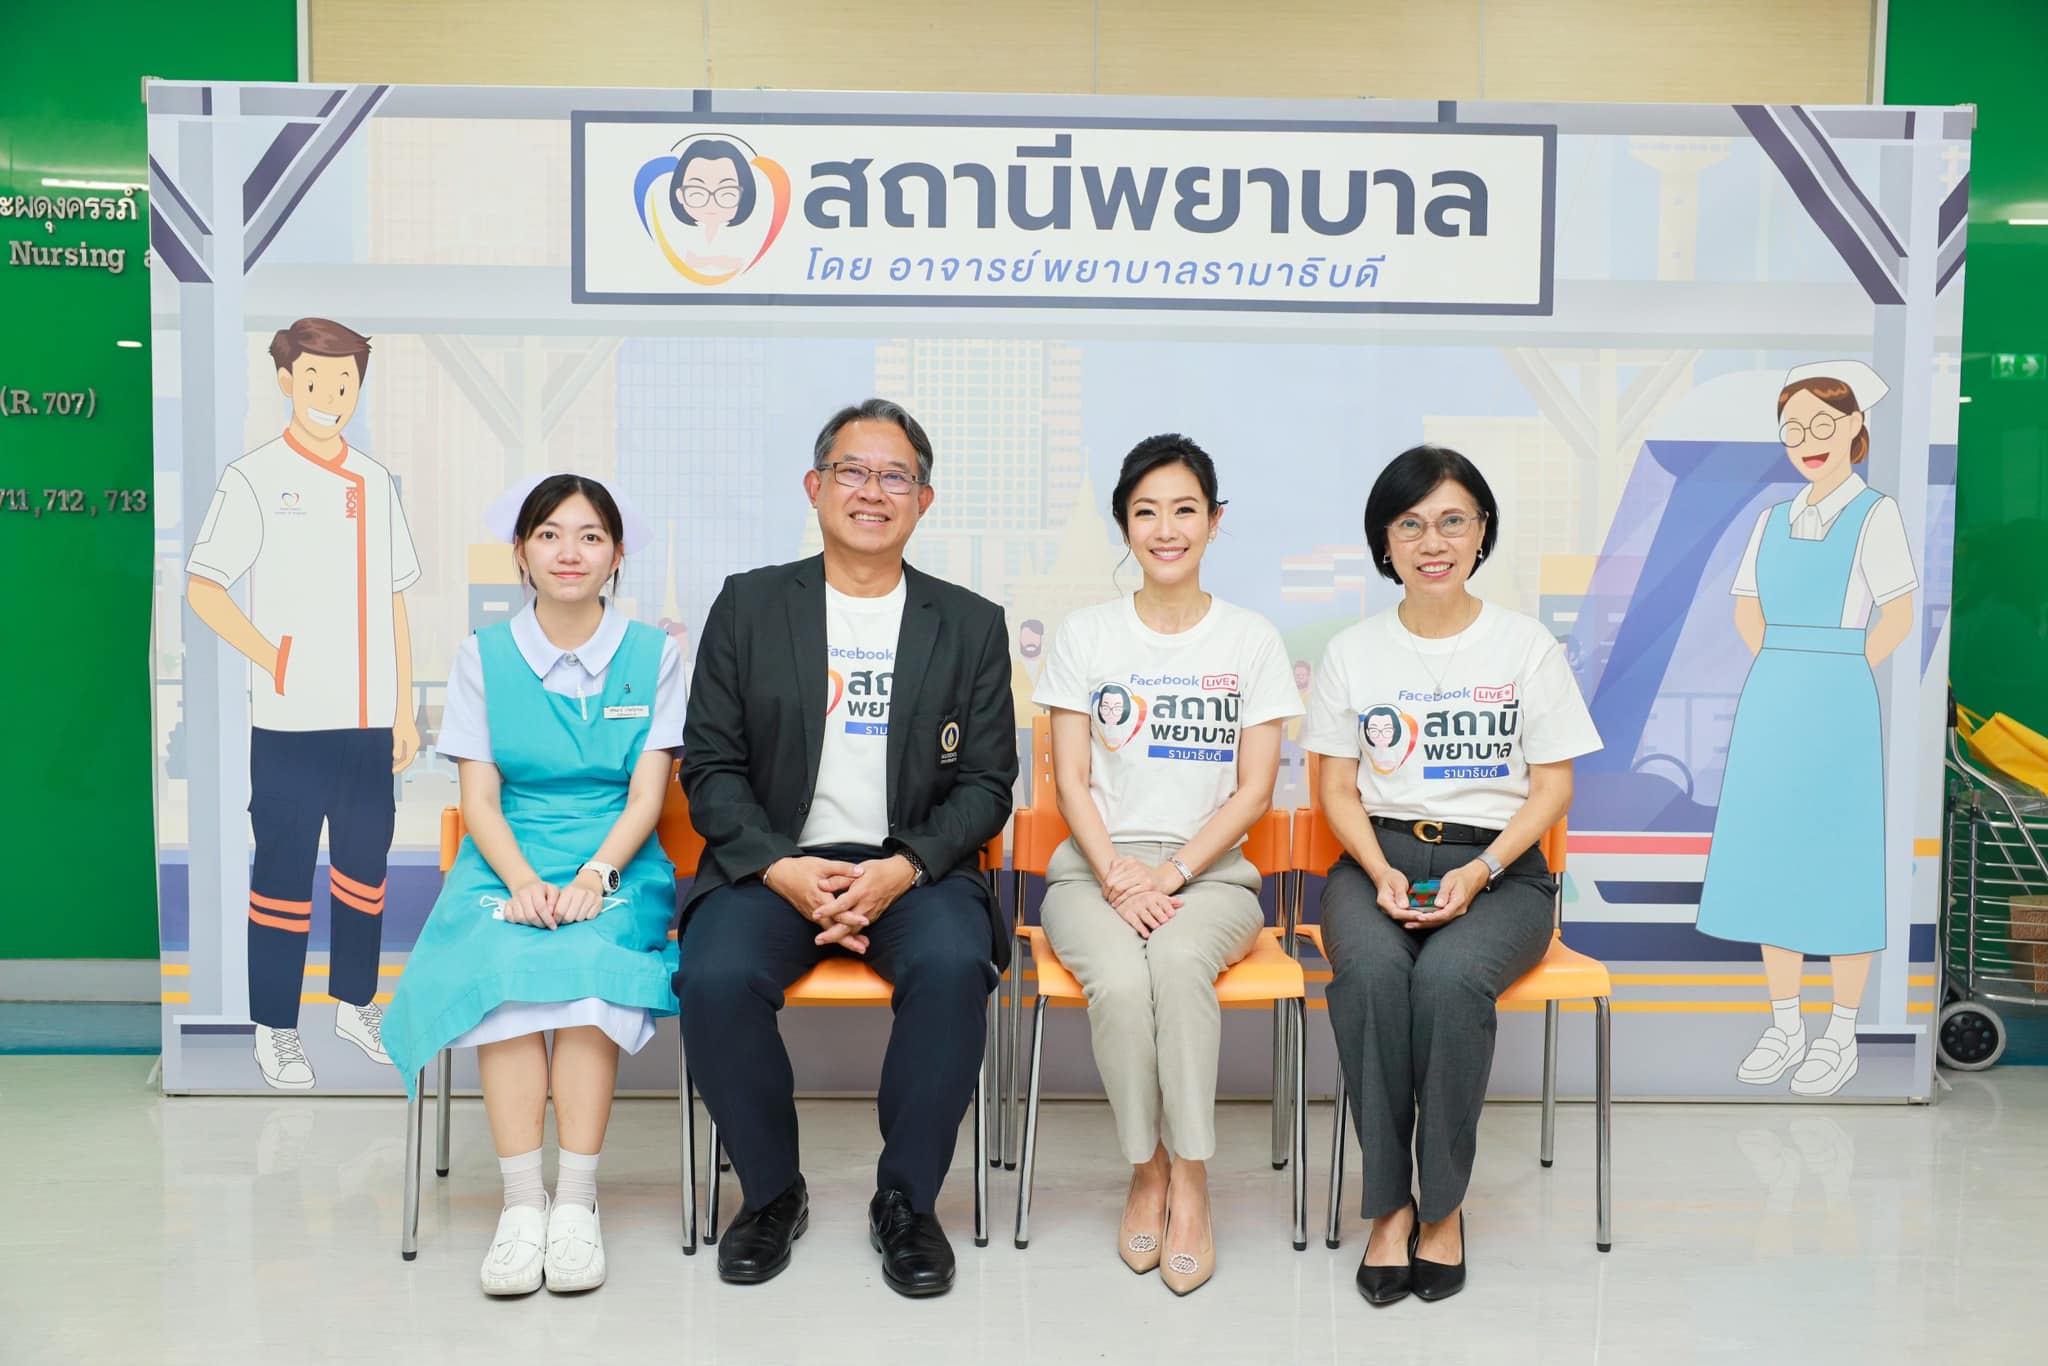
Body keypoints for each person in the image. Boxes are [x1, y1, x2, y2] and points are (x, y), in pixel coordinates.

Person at [677, 398, 1015, 1297]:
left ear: (924, 500)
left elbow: (986, 785)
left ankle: (906, 1201)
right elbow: (709, 766)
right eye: (853, 472)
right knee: (713, 975)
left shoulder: (970, 623)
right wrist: (778, 866)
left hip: (914, 865)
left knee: (951, 963)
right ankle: (771, 1193)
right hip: (775, 860)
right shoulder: (750, 604)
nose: (873, 491)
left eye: (895, 475)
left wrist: (902, 867)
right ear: (815, 486)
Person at [1303, 445, 1602, 1306]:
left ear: (1481, 535)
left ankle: (1443, 1208)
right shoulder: (1353, 652)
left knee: (1448, 981)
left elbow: (1553, 787)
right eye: (1410, 523)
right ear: (1384, 543)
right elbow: (1334, 786)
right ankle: (1389, 1206)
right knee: (1367, 973)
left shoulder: (1525, 647)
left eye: (1452, 520)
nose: (1432, 540)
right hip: (1376, 857)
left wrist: (1480, 868)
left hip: (1502, 870)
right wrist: (1376, 868)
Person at [381, 475, 685, 1297]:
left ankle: (576, 1206)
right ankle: (522, 1208)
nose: (569, 552)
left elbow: (648, 798)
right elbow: (478, 799)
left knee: (588, 970)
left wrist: (594, 877)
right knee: (503, 967)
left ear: (617, 555)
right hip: (504, 856)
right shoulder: (481, 658)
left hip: (616, 860)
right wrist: (519, 883)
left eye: (590, 536)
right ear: (522, 551)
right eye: (550, 534)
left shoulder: (656, 657)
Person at [1032, 434, 1300, 1296]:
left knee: (1179, 963)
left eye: (1185, 509)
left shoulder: (1251, 639)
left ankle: (1192, 1179)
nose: (1166, 527)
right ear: (1124, 526)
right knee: (1118, 977)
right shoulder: (1085, 635)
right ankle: (1144, 1170)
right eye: (1146, 511)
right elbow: (1070, 778)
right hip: (1093, 868)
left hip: (1212, 873)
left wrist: (1174, 874)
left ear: (1214, 523)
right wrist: (1115, 874)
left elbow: (1255, 790)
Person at [184, 316, 420, 1090]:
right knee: (282, 876)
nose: (330, 395)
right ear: (287, 381)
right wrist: (271, 657)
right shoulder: (253, 477)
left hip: (365, 723)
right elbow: (204, 585)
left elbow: (395, 603)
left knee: (364, 872)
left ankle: (355, 1004)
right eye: (315, 379)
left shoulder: (377, 483)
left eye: (345, 381)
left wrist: (403, 710)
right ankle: (275, 1027)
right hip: (288, 724)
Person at [1697, 362, 1918, 1098]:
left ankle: (1840, 1032)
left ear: (1856, 427)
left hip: (1840, 700)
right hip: (1773, 699)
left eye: (1824, 425)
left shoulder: (1875, 514)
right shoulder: (1772, 519)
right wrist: (1785, 667)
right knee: (1773, 860)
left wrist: (1840, 666)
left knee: (1839, 859)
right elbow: (1746, 608)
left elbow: (1899, 612)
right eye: (1794, 429)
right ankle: (1786, 1023)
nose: (1807, 441)